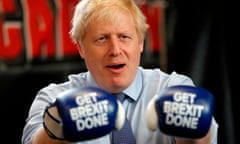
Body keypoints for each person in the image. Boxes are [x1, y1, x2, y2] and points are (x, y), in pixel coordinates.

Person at [21, 0, 218, 144]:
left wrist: (195, 128)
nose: (115, 50)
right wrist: (58, 128)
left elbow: (203, 141)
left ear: (140, 43)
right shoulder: (53, 98)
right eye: (101, 39)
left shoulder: (171, 87)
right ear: (81, 48)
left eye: (124, 37)